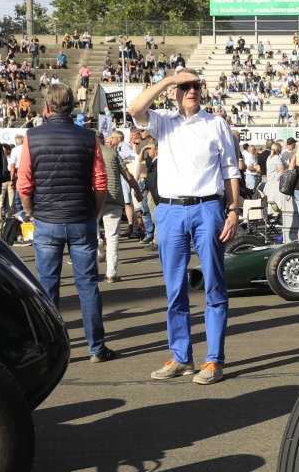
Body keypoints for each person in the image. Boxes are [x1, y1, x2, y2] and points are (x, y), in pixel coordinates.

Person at [131, 69, 242, 385]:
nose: (191, 90)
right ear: (175, 91)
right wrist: (170, 80)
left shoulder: (216, 124)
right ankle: (181, 357)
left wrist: (233, 210)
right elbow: (135, 109)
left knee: (214, 285)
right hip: (169, 210)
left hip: (208, 207)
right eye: (185, 86)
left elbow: (230, 170)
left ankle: (214, 360)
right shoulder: (164, 121)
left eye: (195, 85)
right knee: (175, 288)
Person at [16, 86, 114, 362]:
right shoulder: (89, 137)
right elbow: (100, 182)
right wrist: (94, 213)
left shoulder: (32, 136)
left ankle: (50, 349)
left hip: (47, 219)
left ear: (47, 107)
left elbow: (24, 182)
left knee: (47, 287)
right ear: (72, 107)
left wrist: (30, 211)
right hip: (81, 218)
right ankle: (97, 347)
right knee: (88, 285)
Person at [98, 130, 127, 283]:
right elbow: (127, 175)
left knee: (90, 233)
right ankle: (111, 274)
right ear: (103, 140)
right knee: (113, 237)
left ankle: (98, 241)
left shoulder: (86, 154)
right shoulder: (113, 153)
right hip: (114, 197)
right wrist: (137, 191)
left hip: (94, 197)